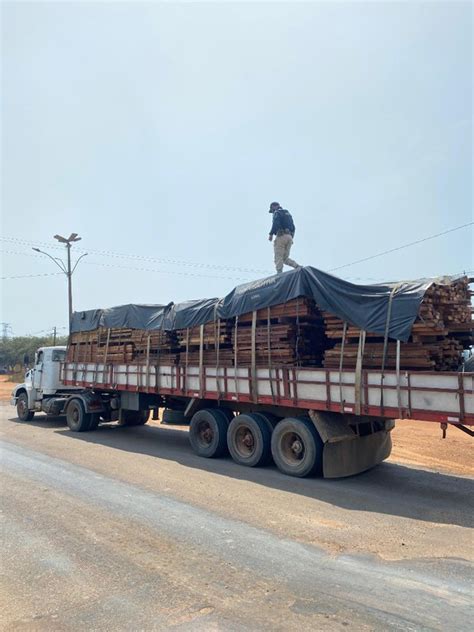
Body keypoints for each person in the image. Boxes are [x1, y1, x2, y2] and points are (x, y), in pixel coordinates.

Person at [268, 201, 300, 274]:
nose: (272, 212)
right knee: (285, 258)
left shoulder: (277, 212)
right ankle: (297, 267)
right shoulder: (287, 213)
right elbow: (293, 227)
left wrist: (271, 234)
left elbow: (276, 223)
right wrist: (291, 237)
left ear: (274, 206)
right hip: (289, 237)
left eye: (272, 209)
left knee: (278, 256)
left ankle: (279, 273)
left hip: (281, 236)